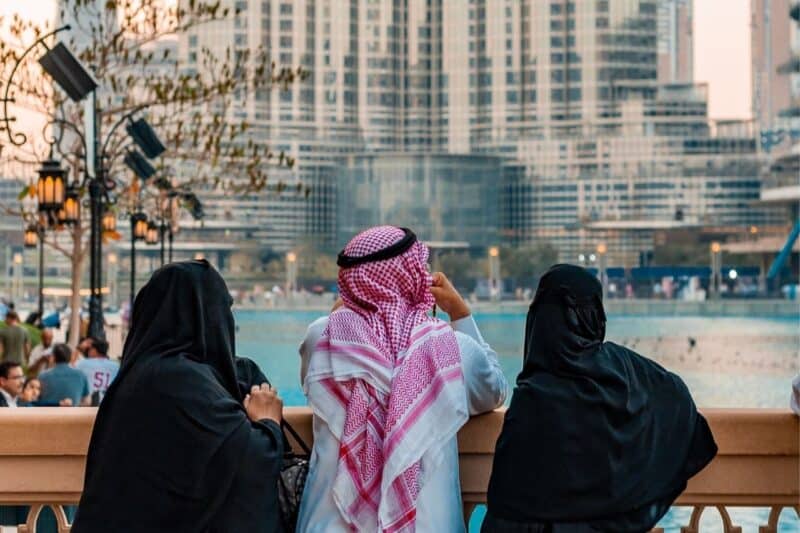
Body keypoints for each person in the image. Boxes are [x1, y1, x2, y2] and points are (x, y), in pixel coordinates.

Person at [297, 226, 507, 533]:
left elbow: (311, 381)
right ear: (414, 278)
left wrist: (346, 310)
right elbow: (494, 390)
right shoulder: (450, 349)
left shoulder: (322, 337)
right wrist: (459, 312)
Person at [484, 264, 718, 533]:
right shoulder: (625, 369)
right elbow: (677, 399)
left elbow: (506, 514)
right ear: (593, 315)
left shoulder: (531, 400)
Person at [72, 260, 285, 533]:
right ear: (205, 314)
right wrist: (267, 423)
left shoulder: (143, 373)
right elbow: (251, 460)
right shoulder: (180, 381)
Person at [75, 337, 119, 404]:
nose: (88, 351)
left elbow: (70, 369)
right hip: (109, 403)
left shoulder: (83, 363)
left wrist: (78, 348)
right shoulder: (116, 366)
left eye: (90, 349)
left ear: (94, 350)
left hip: (88, 403)